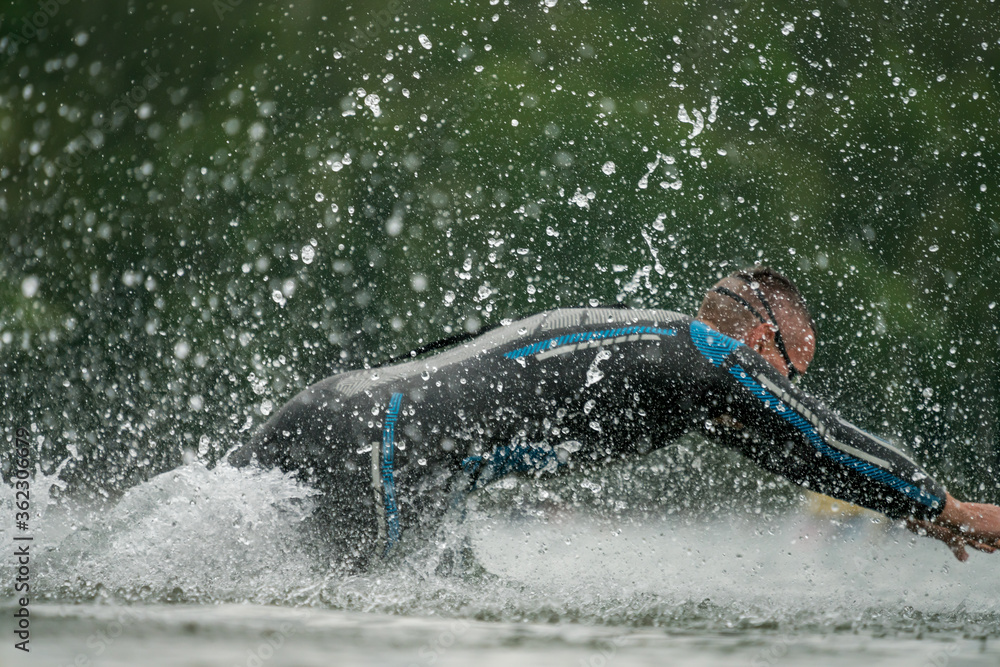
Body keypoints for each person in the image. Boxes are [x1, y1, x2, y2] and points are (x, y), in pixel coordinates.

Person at [229, 267, 1000, 569]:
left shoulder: (647, 341)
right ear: (762, 338)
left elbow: (792, 455)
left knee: (448, 595)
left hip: (344, 411)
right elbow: (814, 434)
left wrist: (912, 511)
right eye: (791, 365)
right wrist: (943, 501)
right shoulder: (703, 353)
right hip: (393, 441)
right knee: (366, 616)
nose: (789, 384)